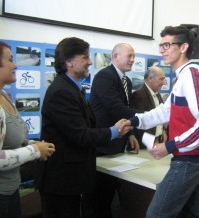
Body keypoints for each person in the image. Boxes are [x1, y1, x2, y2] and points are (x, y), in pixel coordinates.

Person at [122, 25, 199, 218]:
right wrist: (135, 120)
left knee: (157, 214)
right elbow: (166, 111)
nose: (161, 50)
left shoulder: (192, 75)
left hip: (189, 160)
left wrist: (171, 146)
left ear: (183, 47)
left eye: (167, 45)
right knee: (192, 212)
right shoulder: (182, 76)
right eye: (161, 45)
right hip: (190, 157)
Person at [34, 37, 132, 218]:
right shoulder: (62, 91)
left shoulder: (75, 88)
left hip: (71, 179)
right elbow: (80, 135)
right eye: (85, 57)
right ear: (69, 62)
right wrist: (114, 131)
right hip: (60, 181)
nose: (90, 62)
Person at [0, 41, 55, 218]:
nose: (15, 65)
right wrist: (34, 151)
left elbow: (12, 140)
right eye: (10, 60)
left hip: (11, 191)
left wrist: (33, 144)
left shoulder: (5, 96)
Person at [89, 43, 141, 217]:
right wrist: (151, 116)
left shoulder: (125, 80)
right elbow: (116, 108)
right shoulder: (105, 77)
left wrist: (131, 133)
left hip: (117, 146)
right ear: (116, 57)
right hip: (102, 147)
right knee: (99, 200)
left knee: (111, 196)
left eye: (134, 56)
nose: (133, 60)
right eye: (129, 56)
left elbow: (125, 109)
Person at [130, 66, 167, 148]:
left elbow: (159, 116)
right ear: (150, 79)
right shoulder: (138, 95)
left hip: (157, 143)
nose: (164, 82)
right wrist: (152, 143)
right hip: (144, 146)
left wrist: (163, 131)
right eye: (161, 79)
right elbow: (139, 124)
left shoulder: (158, 95)